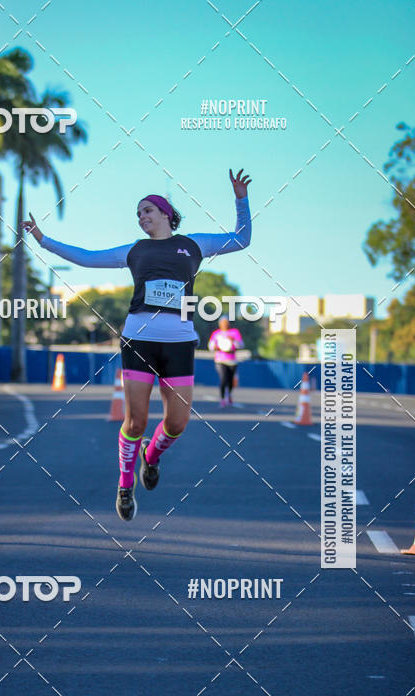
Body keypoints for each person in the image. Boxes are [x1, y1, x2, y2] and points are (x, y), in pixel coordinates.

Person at [23, 168, 252, 521]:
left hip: (179, 341)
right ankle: (125, 484)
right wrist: (43, 239)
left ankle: (151, 457)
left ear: (165, 214)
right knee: (136, 420)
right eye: (138, 213)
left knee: (177, 423)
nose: (141, 216)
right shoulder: (134, 250)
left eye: (147, 210)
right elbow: (86, 257)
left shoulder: (195, 244)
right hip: (138, 339)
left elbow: (242, 239)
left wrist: (241, 199)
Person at [208, 318, 244, 407]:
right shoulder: (216, 334)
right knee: (223, 379)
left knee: (230, 380)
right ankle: (223, 398)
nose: (224, 324)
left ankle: (229, 394)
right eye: (222, 323)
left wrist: (233, 341)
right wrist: (216, 346)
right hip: (220, 360)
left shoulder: (234, 332)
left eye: (226, 323)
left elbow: (241, 345)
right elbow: (211, 346)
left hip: (232, 360)